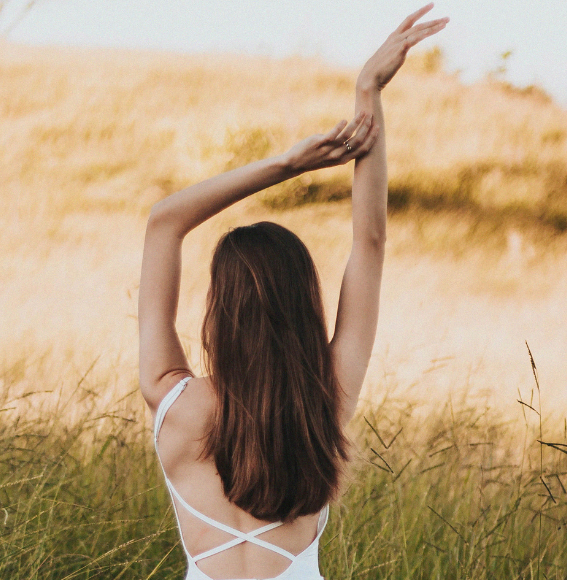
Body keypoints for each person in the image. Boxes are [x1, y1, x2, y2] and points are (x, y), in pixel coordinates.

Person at [138, 5, 449, 579]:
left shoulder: (173, 407)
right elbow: (370, 243)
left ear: (219, 314)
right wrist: (367, 93)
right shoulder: (323, 404)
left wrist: (288, 164)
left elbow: (164, 222)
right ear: (305, 306)